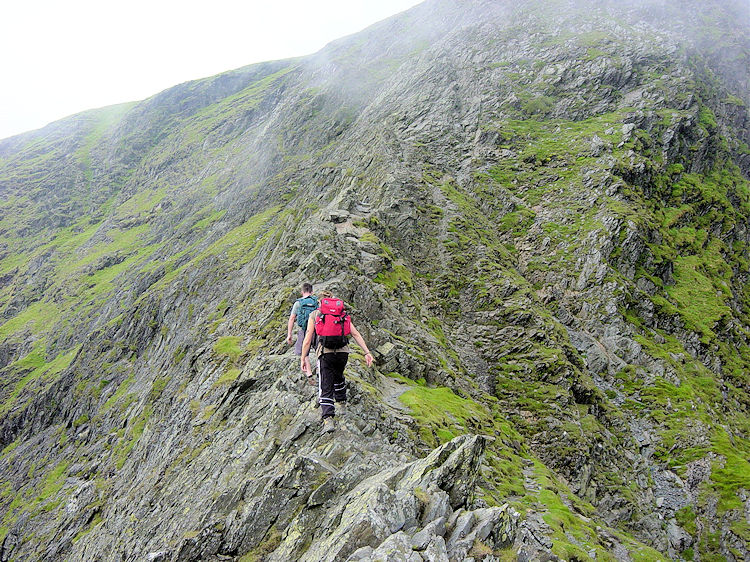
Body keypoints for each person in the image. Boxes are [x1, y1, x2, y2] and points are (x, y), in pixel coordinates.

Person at [300, 291, 374, 433]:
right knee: (338, 375)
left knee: (325, 384)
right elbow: (355, 333)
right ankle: (342, 403)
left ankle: (328, 419)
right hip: (343, 353)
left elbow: (308, 338)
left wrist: (303, 357)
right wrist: (367, 352)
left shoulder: (315, 315)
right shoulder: (342, 314)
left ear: (319, 302)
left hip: (325, 353)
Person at [287, 283, 318, 382]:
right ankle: (319, 370)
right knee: (319, 351)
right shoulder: (316, 302)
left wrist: (289, 334)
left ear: (302, 292)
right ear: (312, 292)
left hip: (304, 330)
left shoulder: (298, 303)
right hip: (317, 330)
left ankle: (309, 374)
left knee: (304, 353)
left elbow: (292, 319)